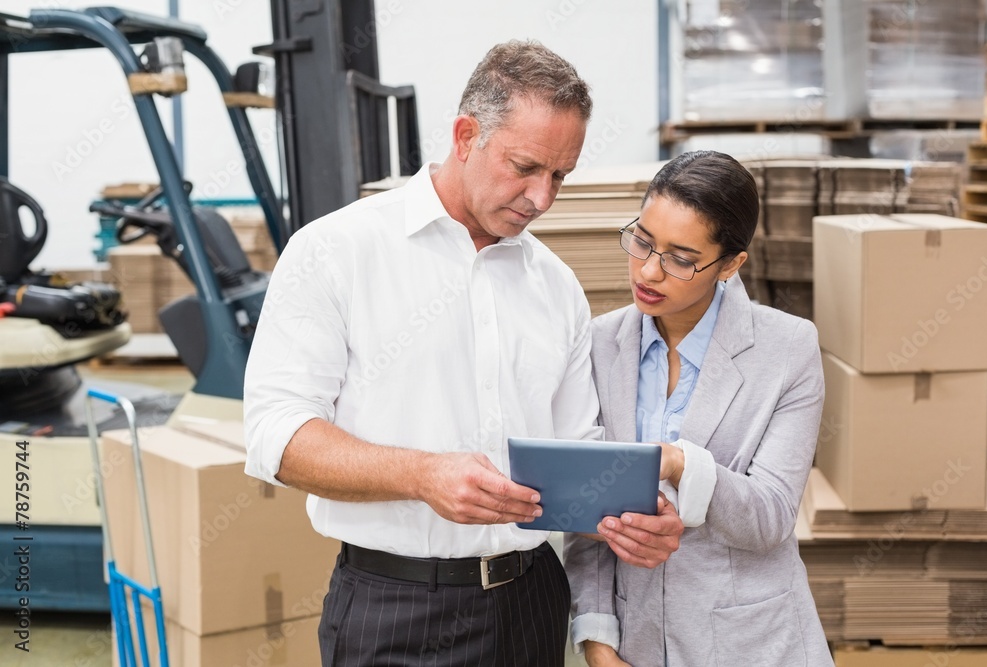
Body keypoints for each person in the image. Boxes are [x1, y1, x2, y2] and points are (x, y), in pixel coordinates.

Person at [243, 40, 683, 667]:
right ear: (466, 134)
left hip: (530, 602)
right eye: (525, 166)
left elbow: (578, 449)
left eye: (560, 175)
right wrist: (421, 476)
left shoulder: (555, 285)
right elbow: (275, 436)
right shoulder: (336, 252)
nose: (542, 198)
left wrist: (632, 515)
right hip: (394, 607)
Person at [564, 151, 833, 666]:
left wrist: (680, 463)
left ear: (731, 263)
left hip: (753, 643)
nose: (648, 270)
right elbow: (588, 520)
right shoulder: (599, 346)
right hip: (637, 644)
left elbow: (771, 517)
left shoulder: (787, 349)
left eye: (681, 258)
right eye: (642, 240)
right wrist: (597, 642)